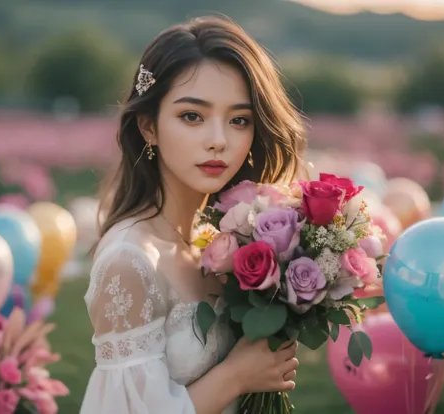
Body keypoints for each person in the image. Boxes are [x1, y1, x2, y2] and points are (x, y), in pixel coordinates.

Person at [80, 15, 306, 414]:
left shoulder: (224, 241)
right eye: (192, 116)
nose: (218, 141)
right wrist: (236, 376)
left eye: (239, 120)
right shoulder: (129, 262)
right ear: (149, 125)